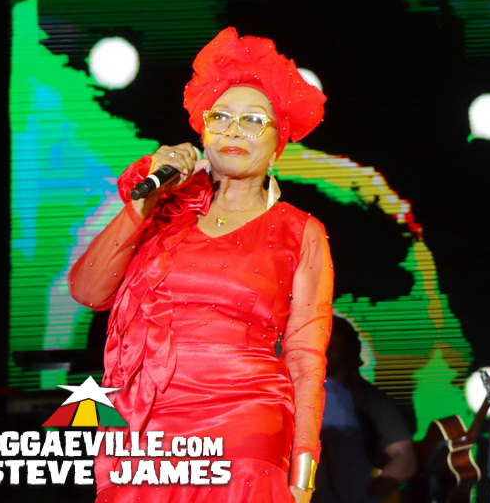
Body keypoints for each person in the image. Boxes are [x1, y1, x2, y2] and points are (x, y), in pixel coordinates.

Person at [70, 27, 333, 502]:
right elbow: (90, 292)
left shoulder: (300, 231)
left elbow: (305, 357)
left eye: (254, 119)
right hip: (145, 423)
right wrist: (144, 203)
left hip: (244, 421)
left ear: (279, 140)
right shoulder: (163, 212)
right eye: (222, 116)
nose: (234, 129)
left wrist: (301, 476)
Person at [320, 316, 416, 503]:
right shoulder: (302, 396)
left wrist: (367, 494)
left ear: (349, 348)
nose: (327, 347)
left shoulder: (375, 402)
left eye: (333, 341)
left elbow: (405, 457)